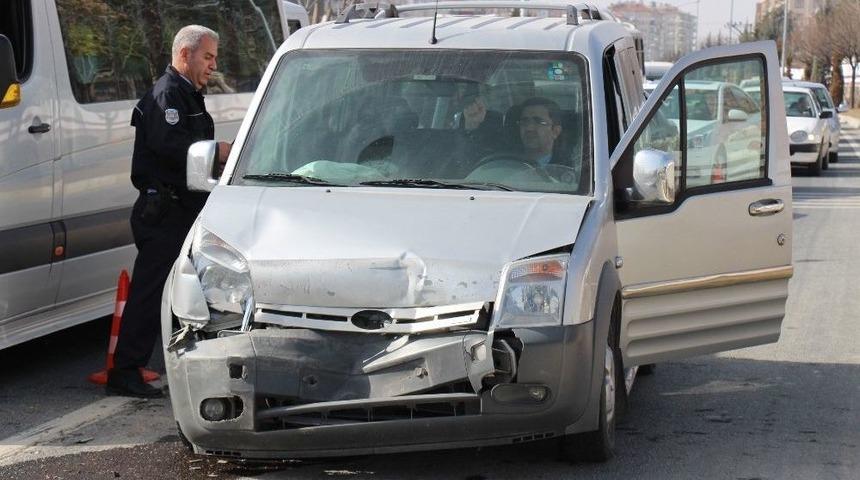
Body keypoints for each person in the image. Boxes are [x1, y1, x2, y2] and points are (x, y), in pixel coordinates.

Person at [107, 25, 231, 398]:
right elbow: (171, 147)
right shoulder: (168, 95)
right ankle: (125, 371)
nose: (213, 66)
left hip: (184, 208)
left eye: (214, 58)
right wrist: (218, 151)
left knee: (185, 291)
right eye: (207, 57)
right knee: (149, 293)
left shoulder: (188, 94)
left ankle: (174, 364)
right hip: (164, 211)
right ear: (184, 55)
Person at [517, 97, 563, 166]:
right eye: (524, 122)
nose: (529, 128)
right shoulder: (504, 163)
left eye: (538, 122)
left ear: (555, 132)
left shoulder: (567, 169)